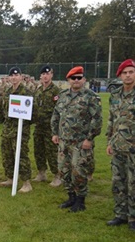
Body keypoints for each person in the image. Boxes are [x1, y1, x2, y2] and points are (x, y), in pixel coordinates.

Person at [51, 66, 102, 212]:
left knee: (78, 171)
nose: (76, 80)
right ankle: (71, 197)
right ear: (68, 80)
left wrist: (89, 139)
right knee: (63, 170)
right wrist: (55, 133)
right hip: (63, 141)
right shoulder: (63, 95)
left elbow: (97, 120)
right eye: (73, 78)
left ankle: (80, 200)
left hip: (80, 143)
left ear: (84, 80)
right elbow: (56, 115)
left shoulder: (91, 97)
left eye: (79, 77)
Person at [106, 59, 135, 230]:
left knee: (133, 183)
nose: (128, 75)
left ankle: (133, 217)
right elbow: (111, 119)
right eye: (125, 73)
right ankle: (120, 214)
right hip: (117, 146)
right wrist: (110, 141)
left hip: (133, 148)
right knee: (118, 182)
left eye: (131, 72)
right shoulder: (115, 94)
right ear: (120, 75)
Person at [0, 67, 33, 193]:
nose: (13, 77)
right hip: (7, 128)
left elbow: (32, 113)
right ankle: (10, 178)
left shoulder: (26, 92)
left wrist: (24, 124)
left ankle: (26, 182)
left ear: (21, 77)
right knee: (7, 154)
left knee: (21, 155)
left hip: (20, 129)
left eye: (16, 75)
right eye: (11, 75)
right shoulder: (7, 91)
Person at [32, 66, 62, 187]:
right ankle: (41, 173)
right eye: (43, 74)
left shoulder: (56, 91)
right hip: (39, 126)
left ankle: (57, 175)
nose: (45, 76)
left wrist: (57, 129)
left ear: (52, 75)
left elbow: (60, 110)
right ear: (40, 76)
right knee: (39, 151)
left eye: (47, 74)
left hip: (51, 127)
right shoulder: (38, 90)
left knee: (52, 152)